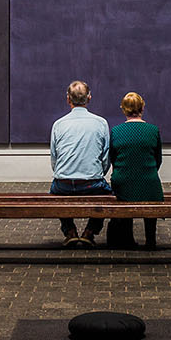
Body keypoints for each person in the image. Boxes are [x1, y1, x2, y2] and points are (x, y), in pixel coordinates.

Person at [49, 79, 112, 245]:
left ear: (68, 99)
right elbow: (106, 157)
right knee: (108, 195)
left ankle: (70, 231)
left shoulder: (58, 125)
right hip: (92, 184)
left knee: (55, 191)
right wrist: (97, 173)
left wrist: (64, 172)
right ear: (89, 98)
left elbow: (54, 158)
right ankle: (89, 232)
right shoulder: (101, 123)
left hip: (63, 184)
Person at [106, 90, 163, 248]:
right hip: (149, 182)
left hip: (123, 182)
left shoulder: (116, 131)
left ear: (123, 109)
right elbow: (158, 159)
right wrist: (146, 171)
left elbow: (113, 159)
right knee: (150, 194)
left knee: (124, 195)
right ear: (142, 107)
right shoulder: (153, 130)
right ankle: (150, 240)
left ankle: (127, 238)